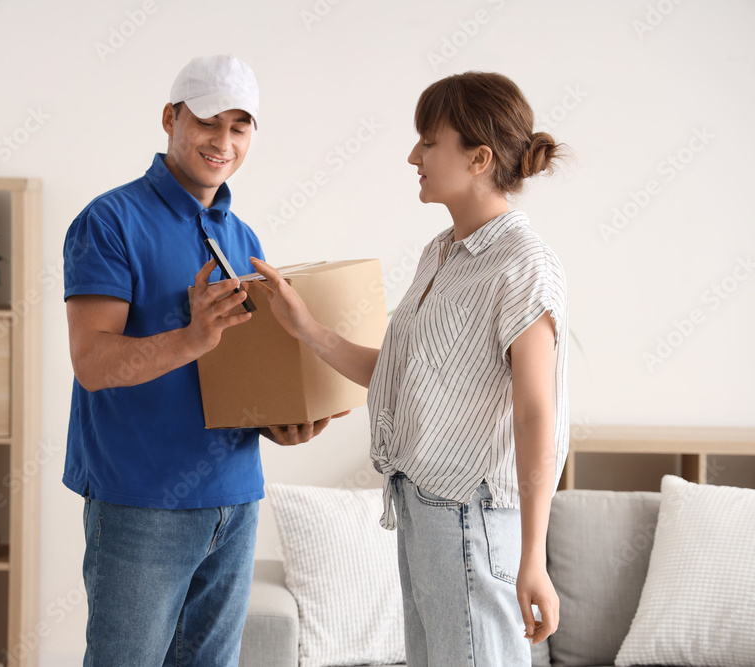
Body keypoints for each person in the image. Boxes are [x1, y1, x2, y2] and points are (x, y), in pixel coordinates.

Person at [250, 71, 569, 665]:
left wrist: (533, 557)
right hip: (423, 508)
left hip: (471, 516)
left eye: (428, 141)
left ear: (478, 158)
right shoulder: (441, 253)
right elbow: (403, 378)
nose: (412, 156)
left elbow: (535, 414)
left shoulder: (523, 263)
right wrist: (306, 328)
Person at [62, 54, 338, 666]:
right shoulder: (108, 221)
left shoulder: (242, 237)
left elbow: (241, 374)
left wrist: (279, 421)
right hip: (141, 501)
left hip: (234, 497)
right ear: (171, 118)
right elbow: (92, 362)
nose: (223, 141)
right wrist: (191, 337)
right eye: (208, 121)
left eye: (239, 127)